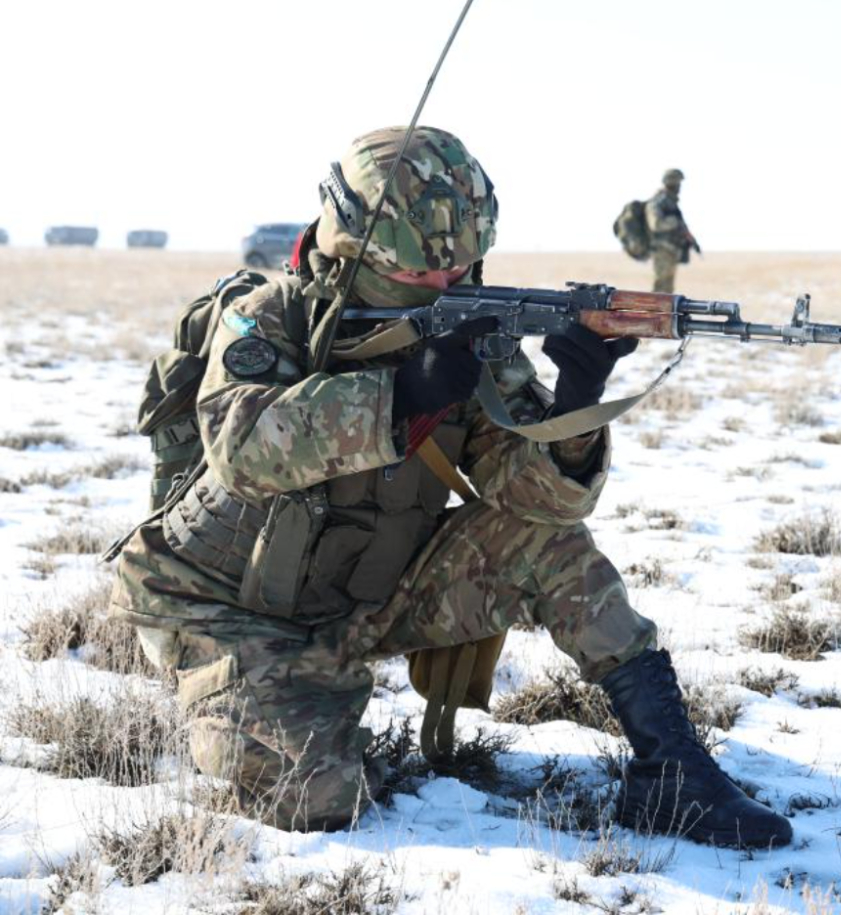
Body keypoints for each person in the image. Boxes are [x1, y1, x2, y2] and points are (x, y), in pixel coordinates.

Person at [109, 126, 790, 849]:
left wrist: (576, 403)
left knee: (548, 542)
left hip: (363, 599)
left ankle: (671, 770)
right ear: (355, 249)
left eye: (463, 265)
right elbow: (242, 446)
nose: (449, 284)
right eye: (423, 273)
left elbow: (541, 503)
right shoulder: (269, 313)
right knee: (317, 795)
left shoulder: (469, 333)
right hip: (219, 605)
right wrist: (400, 395)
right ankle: (274, 693)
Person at [644, 169, 699, 293]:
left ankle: (665, 311)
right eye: (678, 183)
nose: (679, 186)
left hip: (671, 250)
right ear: (671, 182)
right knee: (661, 286)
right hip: (662, 249)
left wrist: (691, 240)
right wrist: (674, 222)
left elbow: (682, 226)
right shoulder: (658, 202)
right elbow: (656, 224)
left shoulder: (671, 203)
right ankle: (657, 311)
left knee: (667, 288)